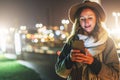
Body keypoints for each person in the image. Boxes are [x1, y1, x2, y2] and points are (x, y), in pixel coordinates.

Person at [55, 0, 119, 80]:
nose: (86, 22)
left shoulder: (107, 42)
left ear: (97, 19)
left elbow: (116, 76)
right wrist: (69, 59)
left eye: (90, 18)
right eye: (82, 19)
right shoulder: (72, 41)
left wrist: (93, 62)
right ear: (78, 21)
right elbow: (59, 71)